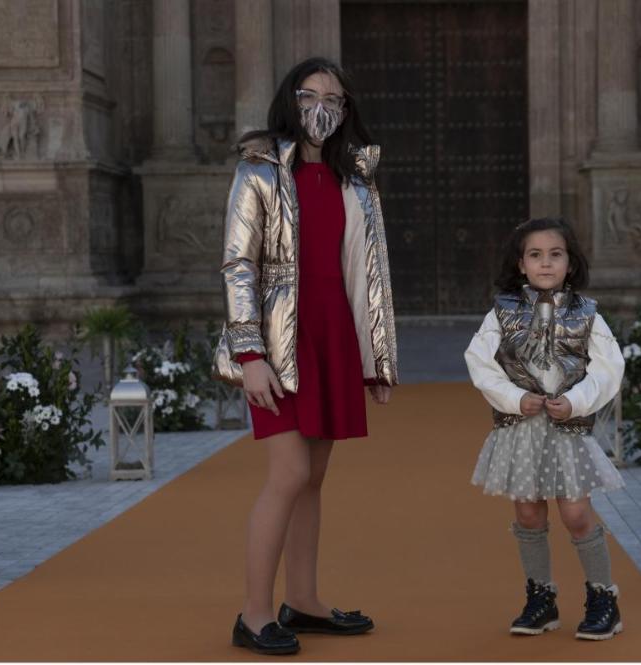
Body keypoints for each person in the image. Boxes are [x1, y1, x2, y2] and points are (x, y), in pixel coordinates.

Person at [221, 56, 398, 656]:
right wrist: (249, 353)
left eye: (335, 99)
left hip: (332, 334)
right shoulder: (261, 168)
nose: (323, 107)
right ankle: (253, 613)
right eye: (311, 94)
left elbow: (367, 275)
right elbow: (238, 264)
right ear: (289, 99)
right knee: (289, 472)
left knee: (314, 478)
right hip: (277, 341)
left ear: (347, 111)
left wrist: (375, 357)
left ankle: (304, 600)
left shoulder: (355, 177)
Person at [464, 218, 626, 641]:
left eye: (555, 254)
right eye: (535, 255)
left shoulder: (587, 314)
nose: (546, 263)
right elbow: (480, 362)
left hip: (567, 430)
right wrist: (514, 399)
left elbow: (610, 368)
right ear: (521, 264)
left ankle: (603, 597)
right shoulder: (502, 312)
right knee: (529, 513)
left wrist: (576, 402)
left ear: (570, 264)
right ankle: (541, 598)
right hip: (521, 429)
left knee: (575, 512)